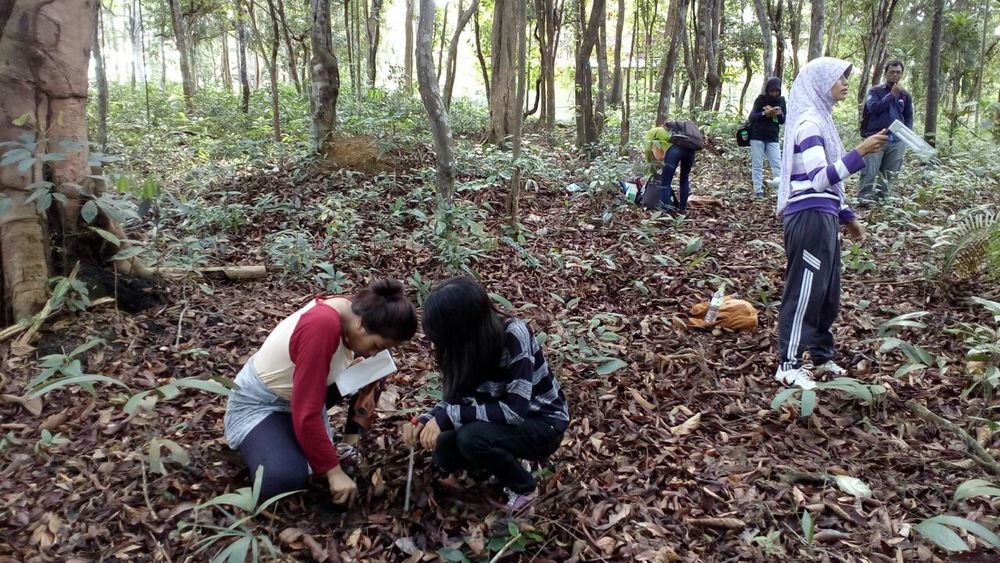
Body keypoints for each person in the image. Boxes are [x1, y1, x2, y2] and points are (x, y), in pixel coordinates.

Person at [224, 279, 418, 504]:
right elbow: (307, 411)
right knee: (283, 479)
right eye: (376, 344)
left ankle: (348, 444)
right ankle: (265, 440)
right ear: (362, 326)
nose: (374, 352)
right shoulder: (322, 326)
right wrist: (333, 472)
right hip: (262, 403)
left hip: (302, 396)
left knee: (380, 363)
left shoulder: (355, 311)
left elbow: (309, 403)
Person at [402, 276, 569, 511]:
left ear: (462, 327)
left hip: (541, 422)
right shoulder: (461, 347)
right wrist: (425, 420)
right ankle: (502, 460)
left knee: (471, 439)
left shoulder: (513, 335)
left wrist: (448, 417)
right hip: (495, 420)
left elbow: (514, 412)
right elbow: (455, 400)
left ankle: (525, 487)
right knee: (443, 450)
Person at [774, 57, 888, 390]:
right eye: (839, 77)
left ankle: (821, 357)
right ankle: (789, 363)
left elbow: (829, 189)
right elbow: (820, 179)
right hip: (807, 218)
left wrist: (847, 217)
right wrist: (861, 151)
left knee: (827, 291)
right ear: (820, 83)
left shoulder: (822, 121)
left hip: (823, 216)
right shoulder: (808, 123)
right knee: (806, 289)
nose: (845, 82)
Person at [857, 60, 913, 205]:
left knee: (890, 173)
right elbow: (874, 108)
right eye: (892, 72)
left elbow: (908, 117)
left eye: (898, 72)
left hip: (897, 139)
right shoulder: (875, 91)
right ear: (885, 73)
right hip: (876, 136)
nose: (895, 75)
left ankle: (882, 200)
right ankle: (864, 199)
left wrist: (906, 137)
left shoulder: (905, 95)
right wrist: (891, 95)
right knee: (870, 169)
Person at [640, 123, 701, 213]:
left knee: (666, 182)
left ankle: (665, 210)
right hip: (691, 151)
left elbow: (659, 157)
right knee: (684, 179)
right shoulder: (684, 134)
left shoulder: (658, 133)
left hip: (675, 151)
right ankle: (682, 209)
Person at [748, 77, 786, 198]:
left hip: (772, 137)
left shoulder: (781, 101)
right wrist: (765, 113)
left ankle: (779, 190)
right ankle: (758, 190)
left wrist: (780, 114)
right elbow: (752, 117)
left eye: (776, 91)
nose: (774, 93)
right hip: (757, 136)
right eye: (771, 91)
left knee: (777, 165)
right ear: (767, 90)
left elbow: (782, 121)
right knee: (757, 164)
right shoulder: (761, 100)